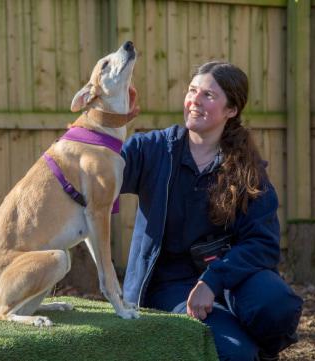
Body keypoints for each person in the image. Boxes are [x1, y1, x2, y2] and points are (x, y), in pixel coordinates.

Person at [120, 61, 303, 361]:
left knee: (278, 305)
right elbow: (100, 172)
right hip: (169, 286)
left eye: (208, 95)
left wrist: (213, 279)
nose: (195, 101)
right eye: (192, 91)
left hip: (229, 279)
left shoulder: (247, 169)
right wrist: (110, 123)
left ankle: (261, 353)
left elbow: (263, 243)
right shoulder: (151, 150)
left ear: (231, 110)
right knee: (235, 352)